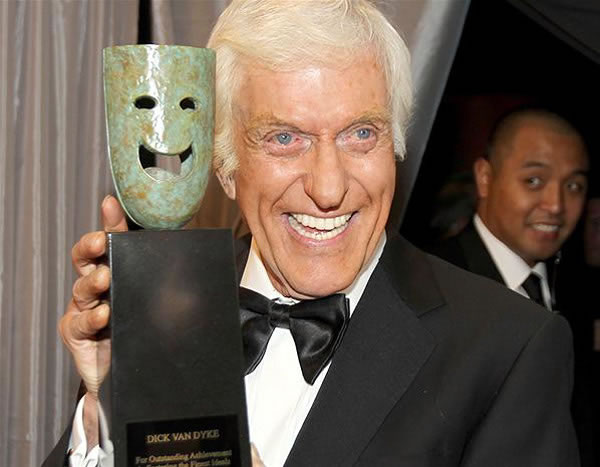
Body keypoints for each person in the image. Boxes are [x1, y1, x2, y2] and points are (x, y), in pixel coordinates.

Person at [45, 2, 579, 466]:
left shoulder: (508, 350)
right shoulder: (166, 308)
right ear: (224, 166)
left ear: (396, 146)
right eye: (285, 138)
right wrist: (105, 406)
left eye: (361, 134)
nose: (328, 188)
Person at [429, 107, 594, 464]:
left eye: (574, 186)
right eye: (534, 181)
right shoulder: (432, 284)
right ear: (485, 177)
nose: (556, 205)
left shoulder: (577, 295)